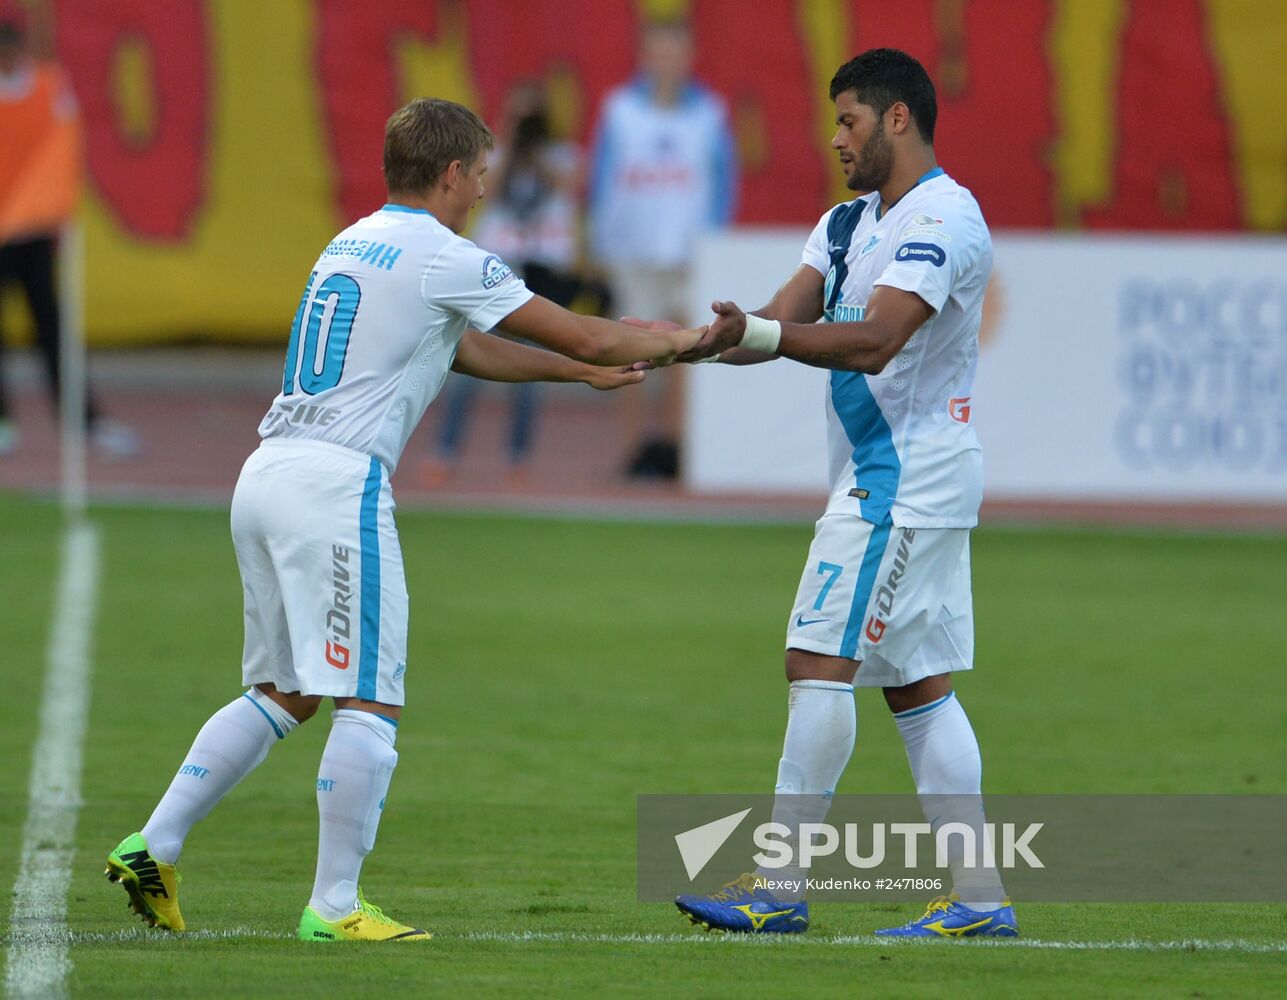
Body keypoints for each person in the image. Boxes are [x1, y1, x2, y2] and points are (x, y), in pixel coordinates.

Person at [103, 97, 701, 942]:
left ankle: (153, 843)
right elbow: (589, 336)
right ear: (452, 173)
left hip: (268, 474)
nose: (484, 192)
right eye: (481, 177)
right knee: (370, 699)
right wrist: (681, 342)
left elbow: (458, 346)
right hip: (337, 489)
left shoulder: (351, 241)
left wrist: (574, 376)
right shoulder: (446, 254)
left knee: (285, 690)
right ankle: (335, 907)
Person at [667, 49, 1016, 937]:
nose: (835, 139)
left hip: (898, 484)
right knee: (917, 687)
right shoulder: (844, 223)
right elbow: (774, 319)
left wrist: (758, 331)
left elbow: (874, 342)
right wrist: (685, 342)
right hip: (899, 478)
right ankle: (979, 903)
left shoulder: (946, 217)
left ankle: (778, 888)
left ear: (897, 119)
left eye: (849, 121)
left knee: (816, 660)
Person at [586, 17, 737, 478]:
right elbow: (601, 180)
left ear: (689, 57)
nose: (667, 61)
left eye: (676, 52)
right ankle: (633, 452)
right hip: (633, 253)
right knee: (628, 351)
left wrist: (715, 241)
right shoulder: (619, 110)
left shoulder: (711, 113)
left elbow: (724, 182)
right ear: (645, 55)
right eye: (659, 51)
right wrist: (598, 243)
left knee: (688, 353)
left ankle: (674, 450)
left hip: (690, 255)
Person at [424, 80, 588, 487]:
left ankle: (518, 456)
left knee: (529, 365)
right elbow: (488, 192)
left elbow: (570, 189)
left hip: (540, 268)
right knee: (469, 359)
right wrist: (511, 147)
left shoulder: (563, 156)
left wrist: (536, 155)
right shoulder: (489, 157)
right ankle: (445, 450)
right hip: (495, 265)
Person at [0, 8, 137, 458]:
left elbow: (64, 144)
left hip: (34, 230)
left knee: (53, 326)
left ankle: (84, 419)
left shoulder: (49, 86)